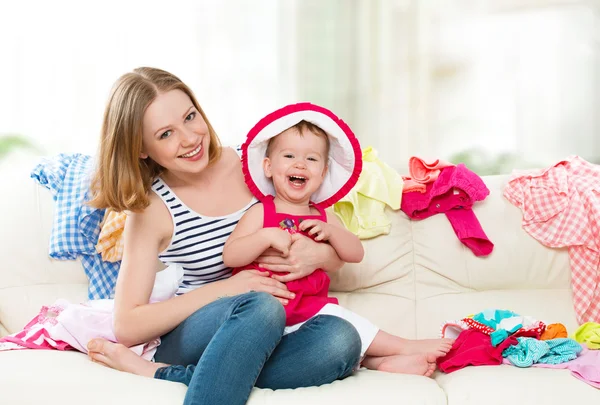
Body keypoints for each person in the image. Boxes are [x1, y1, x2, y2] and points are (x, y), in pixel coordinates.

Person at [86, 67, 363, 405]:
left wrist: (319, 256)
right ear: (141, 148)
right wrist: (231, 288)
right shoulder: (153, 210)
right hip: (198, 331)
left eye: (190, 116)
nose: (189, 138)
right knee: (262, 307)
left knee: (341, 339)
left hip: (273, 328)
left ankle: (161, 373)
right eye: (165, 134)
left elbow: (324, 240)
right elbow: (127, 324)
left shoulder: (255, 167)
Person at [222, 103, 452, 376]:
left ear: (322, 172)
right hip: (265, 315)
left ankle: (381, 361)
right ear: (269, 167)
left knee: (344, 326)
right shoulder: (261, 213)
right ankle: (404, 347)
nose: (299, 164)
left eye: (311, 159)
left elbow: (355, 253)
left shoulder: (323, 216)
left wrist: (333, 233)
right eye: (289, 155)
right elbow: (231, 256)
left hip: (312, 313)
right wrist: (263, 236)